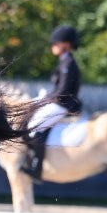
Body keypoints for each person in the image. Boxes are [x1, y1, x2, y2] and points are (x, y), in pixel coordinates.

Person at [21, 25, 83, 180]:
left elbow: (62, 90)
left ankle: (37, 167)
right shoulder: (64, 62)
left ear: (66, 45)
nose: (53, 46)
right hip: (60, 102)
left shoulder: (68, 63)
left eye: (56, 43)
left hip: (65, 104)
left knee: (37, 125)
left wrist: (46, 99)